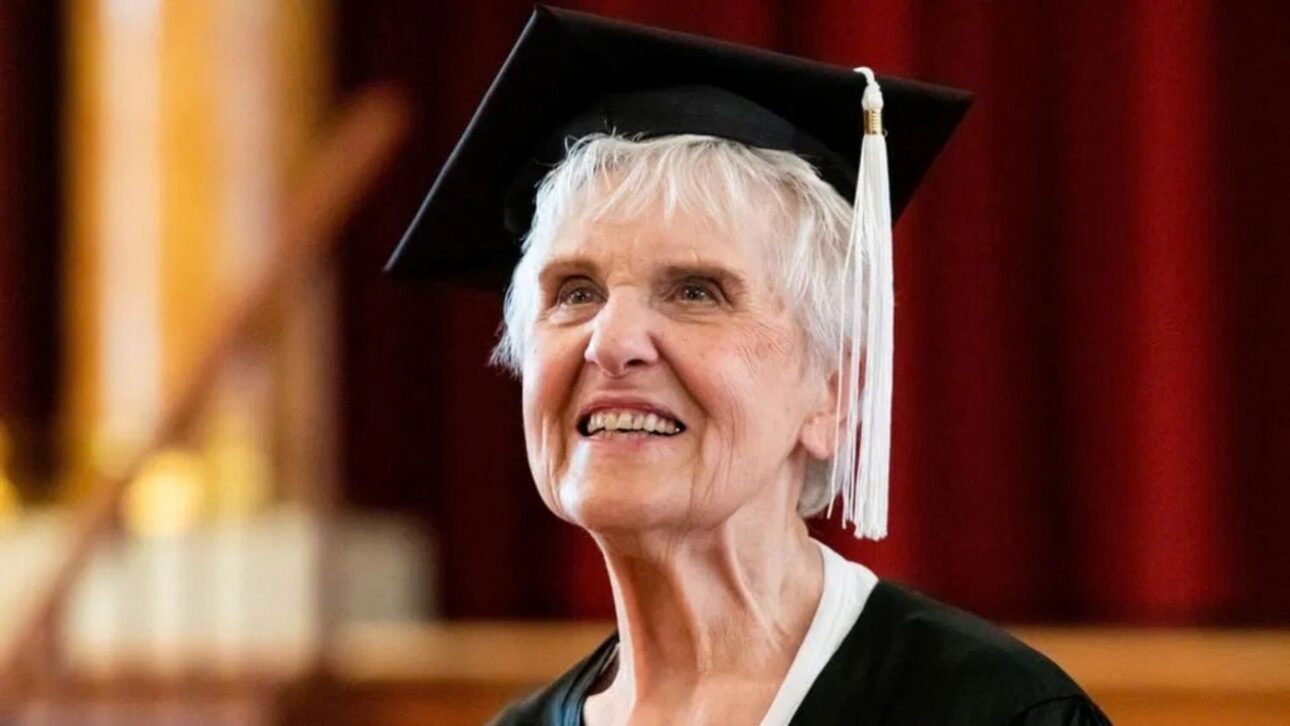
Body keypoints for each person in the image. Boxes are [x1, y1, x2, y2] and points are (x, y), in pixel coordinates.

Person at [388, 7, 1110, 725]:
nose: (610, 341)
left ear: (835, 389)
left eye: (696, 291)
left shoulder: (988, 714)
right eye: (575, 292)